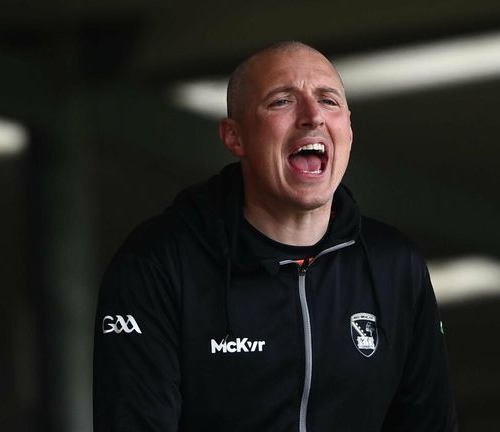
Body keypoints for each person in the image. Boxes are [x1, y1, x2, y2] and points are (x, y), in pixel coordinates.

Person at [94, 40, 458, 431]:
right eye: (282, 101)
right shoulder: (158, 264)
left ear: (349, 128)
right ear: (235, 137)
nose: (312, 117)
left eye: (329, 101)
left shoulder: (394, 265)